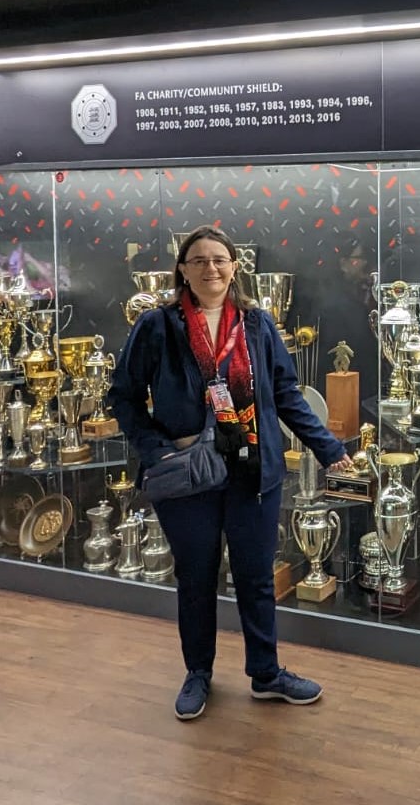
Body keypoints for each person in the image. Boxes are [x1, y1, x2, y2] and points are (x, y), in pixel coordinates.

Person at [109, 224, 349, 721]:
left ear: (234, 267)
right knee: (196, 578)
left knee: (256, 578)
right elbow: (124, 397)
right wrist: (157, 451)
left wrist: (329, 450)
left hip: (251, 472)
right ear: (183, 270)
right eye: (198, 260)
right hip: (189, 475)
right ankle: (198, 673)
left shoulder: (257, 326)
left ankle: (266, 674)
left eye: (219, 259)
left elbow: (287, 396)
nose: (210, 268)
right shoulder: (156, 327)